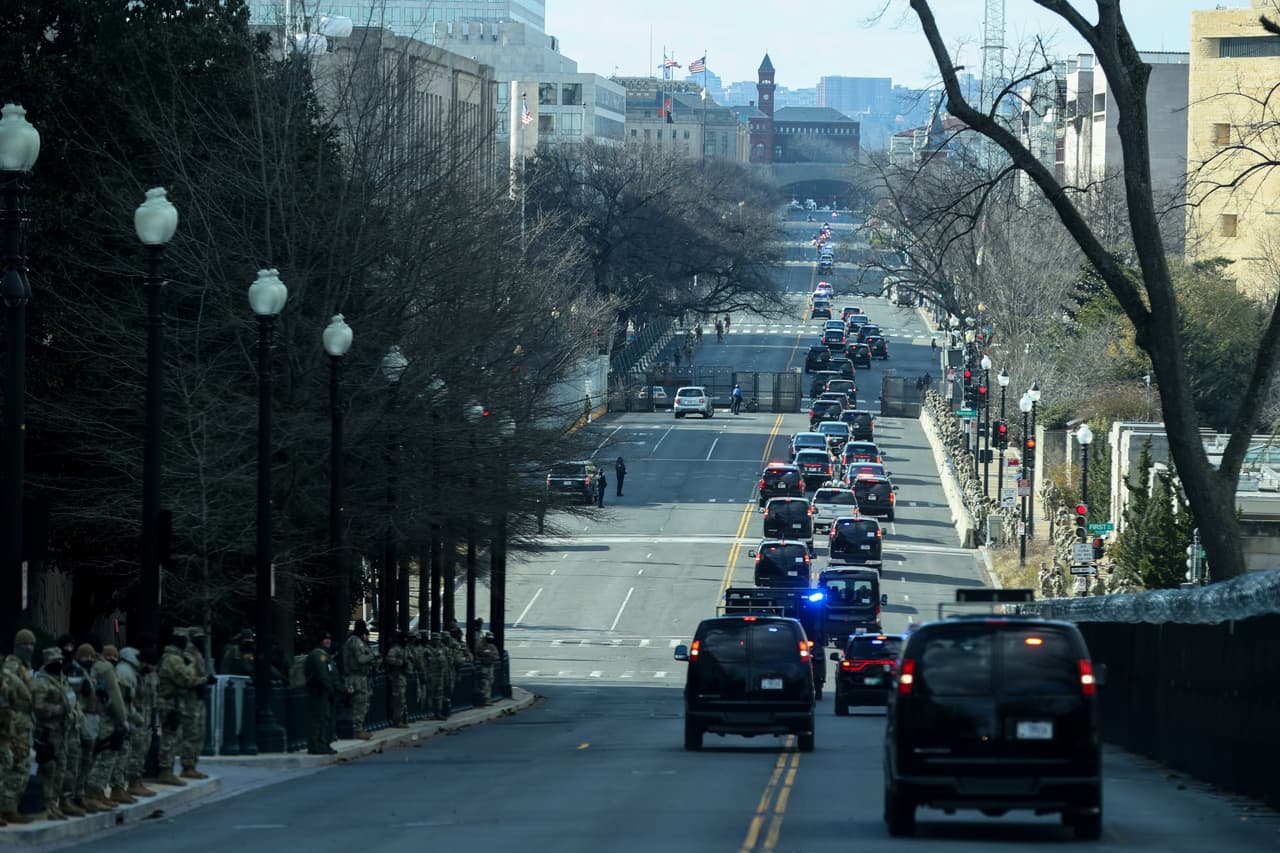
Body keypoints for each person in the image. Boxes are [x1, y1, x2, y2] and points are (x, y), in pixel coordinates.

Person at [154, 629, 200, 787]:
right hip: (169, 702)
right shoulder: (173, 659)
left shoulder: (172, 657)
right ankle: (165, 770)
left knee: (172, 736)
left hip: (171, 701)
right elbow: (186, 679)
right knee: (170, 737)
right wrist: (191, 664)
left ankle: (168, 769)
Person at [1, 629, 37, 823]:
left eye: (31, 644)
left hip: (24, 722)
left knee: (21, 765)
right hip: (15, 722)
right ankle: (7, 807)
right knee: (16, 765)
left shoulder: (25, 667)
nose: (29, 648)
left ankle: (11, 807)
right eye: (25, 644)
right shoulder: (12, 666)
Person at [31, 647, 71, 821]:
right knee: (48, 769)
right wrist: (60, 709)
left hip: (62, 731)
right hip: (47, 732)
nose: (59, 663)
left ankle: (54, 802)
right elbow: (39, 708)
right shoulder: (41, 682)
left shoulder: (61, 679)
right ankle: (45, 804)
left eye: (60, 660)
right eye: (55, 660)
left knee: (61, 768)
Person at [116, 646, 157, 799]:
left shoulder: (138, 672)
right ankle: (124, 785)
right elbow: (125, 700)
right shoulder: (126, 672)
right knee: (127, 753)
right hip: (130, 719)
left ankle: (135, 781)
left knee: (139, 751)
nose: (154, 670)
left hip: (139, 718)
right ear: (145, 662)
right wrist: (135, 717)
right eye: (152, 665)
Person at [178, 627, 213, 781]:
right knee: (191, 733)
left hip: (198, 699)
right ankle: (187, 766)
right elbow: (188, 678)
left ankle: (193, 765)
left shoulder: (198, 653)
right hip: (189, 700)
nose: (201, 640)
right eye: (198, 637)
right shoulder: (187, 655)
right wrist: (205, 680)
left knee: (199, 732)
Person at [304, 631, 339, 754]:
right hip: (318, 691)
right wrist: (331, 689)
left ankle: (323, 743)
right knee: (319, 718)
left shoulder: (324, 655)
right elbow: (323, 675)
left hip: (324, 691)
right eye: (325, 639)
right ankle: (317, 745)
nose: (328, 641)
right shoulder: (318, 655)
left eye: (329, 639)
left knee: (325, 718)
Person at [341, 620, 375, 739]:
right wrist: (372, 656)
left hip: (356, 676)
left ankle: (357, 729)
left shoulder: (352, 640)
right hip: (357, 677)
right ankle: (357, 730)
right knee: (360, 703)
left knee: (359, 703)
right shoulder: (356, 641)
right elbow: (360, 659)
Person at [384, 632, 409, 728]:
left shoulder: (405, 649)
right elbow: (388, 659)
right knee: (399, 699)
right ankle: (397, 721)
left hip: (402, 676)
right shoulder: (395, 649)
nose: (406, 641)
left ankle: (399, 719)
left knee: (402, 699)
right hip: (396, 676)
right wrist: (400, 663)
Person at [473, 633, 499, 707]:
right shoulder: (481, 646)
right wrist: (483, 657)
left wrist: (491, 656)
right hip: (483, 666)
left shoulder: (492, 646)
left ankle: (487, 699)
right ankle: (485, 699)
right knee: (485, 683)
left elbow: (496, 655)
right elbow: (476, 654)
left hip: (490, 665)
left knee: (490, 681)